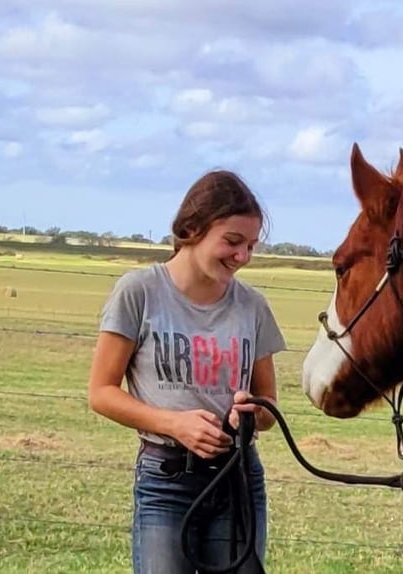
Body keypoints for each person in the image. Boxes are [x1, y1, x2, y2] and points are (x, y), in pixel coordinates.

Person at [88, 170, 286, 573]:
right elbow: (101, 392)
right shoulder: (138, 292)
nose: (243, 257)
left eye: (250, 245)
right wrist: (174, 424)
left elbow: (268, 410)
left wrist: (251, 413)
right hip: (166, 482)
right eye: (232, 241)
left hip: (238, 479)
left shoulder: (253, 305)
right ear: (192, 228)